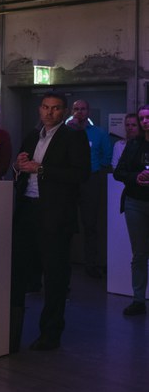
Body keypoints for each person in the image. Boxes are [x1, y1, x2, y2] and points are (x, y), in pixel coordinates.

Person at [10, 92, 90, 352]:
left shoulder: (73, 136)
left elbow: (81, 174)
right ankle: (12, 331)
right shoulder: (33, 136)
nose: (49, 113)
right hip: (27, 210)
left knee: (55, 276)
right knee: (18, 271)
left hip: (55, 214)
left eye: (55, 109)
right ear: (39, 109)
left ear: (64, 112)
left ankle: (51, 333)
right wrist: (18, 166)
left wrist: (41, 169)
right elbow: (23, 168)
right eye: (45, 107)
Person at [68, 99, 113, 279]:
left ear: (89, 112)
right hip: (69, 181)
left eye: (83, 109)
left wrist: (93, 168)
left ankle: (90, 263)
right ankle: (65, 261)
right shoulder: (65, 132)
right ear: (71, 111)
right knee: (66, 222)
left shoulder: (99, 133)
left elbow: (106, 157)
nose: (80, 112)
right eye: (76, 109)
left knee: (90, 224)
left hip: (91, 180)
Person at [112, 105, 149, 316]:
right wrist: (136, 177)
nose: (145, 122)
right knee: (139, 253)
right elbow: (119, 172)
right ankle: (138, 299)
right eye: (142, 118)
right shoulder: (134, 144)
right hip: (135, 202)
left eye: (148, 118)